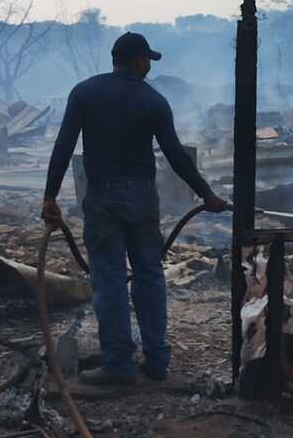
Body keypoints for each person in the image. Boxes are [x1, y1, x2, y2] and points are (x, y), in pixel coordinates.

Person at [41, 31, 229, 386]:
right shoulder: (153, 101)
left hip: (102, 199)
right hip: (142, 198)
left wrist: (50, 197)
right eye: (148, 61)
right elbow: (176, 155)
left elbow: (64, 146)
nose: (149, 68)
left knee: (109, 281)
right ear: (139, 60)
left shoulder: (85, 93)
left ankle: (119, 366)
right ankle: (157, 362)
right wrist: (207, 195)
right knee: (149, 277)